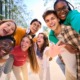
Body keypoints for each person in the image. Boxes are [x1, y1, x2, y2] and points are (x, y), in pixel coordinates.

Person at [42, 10, 80, 80]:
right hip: (69, 72)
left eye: (52, 18)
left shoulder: (70, 29)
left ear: (58, 19)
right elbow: (50, 52)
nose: (50, 22)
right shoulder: (53, 38)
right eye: (47, 21)